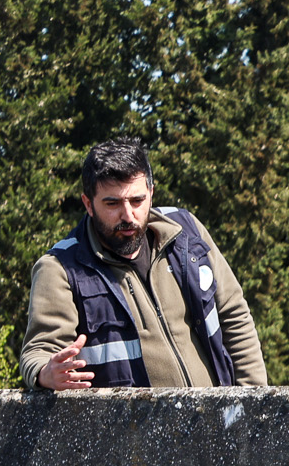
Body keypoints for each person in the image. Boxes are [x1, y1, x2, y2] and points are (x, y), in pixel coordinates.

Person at [21, 138, 266, 390]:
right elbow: (38, 351)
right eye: (112, 203)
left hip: (216, 422)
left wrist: (252, 402)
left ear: (151, 193)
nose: (128, 216)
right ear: (88, 204)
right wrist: (44, 372)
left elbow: (234, 316)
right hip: (127, 429)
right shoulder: (60, 267)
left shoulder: (188, 232)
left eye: (137, 201)